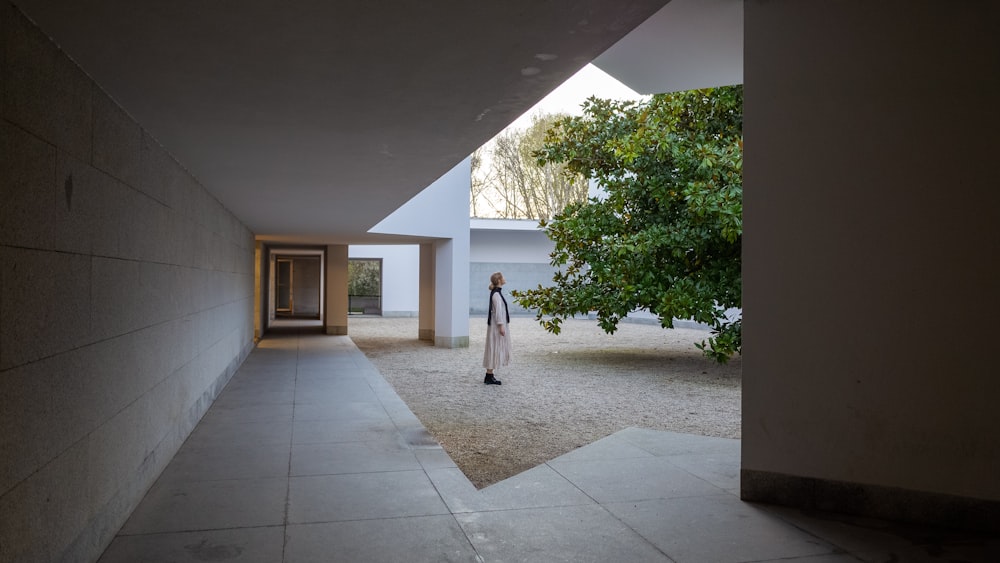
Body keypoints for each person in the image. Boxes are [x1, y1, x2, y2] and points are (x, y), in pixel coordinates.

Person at [483, 271, 511, 385]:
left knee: (493, 348)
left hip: (496, 325)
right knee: (493, 348)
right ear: (499, 280)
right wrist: (501, 326)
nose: (504, 278)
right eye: (503, 277)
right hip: (496, 326)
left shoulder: (496, 293)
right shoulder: (496, 294)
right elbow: (498, 311)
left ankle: (489, 375)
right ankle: (489, 376)